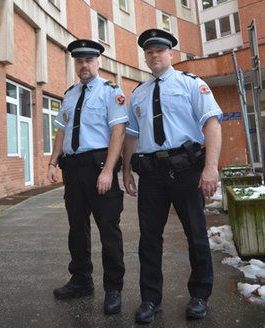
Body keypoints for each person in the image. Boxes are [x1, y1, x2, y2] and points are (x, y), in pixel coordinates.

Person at [122, 29, 222, 324]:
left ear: (171, 54)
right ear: (145, 56)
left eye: (159, 51)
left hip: (186, 170)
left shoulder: (191, 84)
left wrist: (210, 167)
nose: (154, 55)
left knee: (196, 234)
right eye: (149, 52)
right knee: (149, 239)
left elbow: (212, 124)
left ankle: (199, 295)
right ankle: (150, 299)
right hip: (151, 174)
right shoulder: (138, 93)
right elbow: (131, 135)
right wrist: (126, 170)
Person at [47, 39, 127, 315]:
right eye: (79, 61)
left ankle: (114, 288)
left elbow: (118, 132)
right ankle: (81, 280)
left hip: (98, 166)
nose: (84, 65)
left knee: (109, 230)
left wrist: (108, 171)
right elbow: (61, 130)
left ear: (98, 62)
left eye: (88, 60)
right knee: (77, 228)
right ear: (75, 64)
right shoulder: (69, 94)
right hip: (73, 168)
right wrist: (53, 161)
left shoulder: (110, 92)